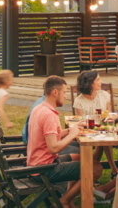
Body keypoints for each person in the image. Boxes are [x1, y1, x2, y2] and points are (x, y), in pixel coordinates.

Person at [28, 76, 103, 208]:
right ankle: (64, 201)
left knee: (83, 158)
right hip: (44, 169)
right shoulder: (49, 115)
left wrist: (70, 130)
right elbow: (53, 148)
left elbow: (50, 136)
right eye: (64, 92)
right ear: (55, 92)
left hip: (37, 163)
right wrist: (72, 135)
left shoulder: (39, 108)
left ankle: (70, 201)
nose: (66, 96)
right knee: (96, 168)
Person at [72, 71, 118, 178]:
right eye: (98, 79)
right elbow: (81, 121)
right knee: (104, 140)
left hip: (104, 129)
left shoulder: (104, 95)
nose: (101, 81)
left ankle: (95, 171)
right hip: (88, 131)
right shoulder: (79, 101)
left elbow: (109, 116)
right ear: (90, 83)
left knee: (104, 138)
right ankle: (113, 169)